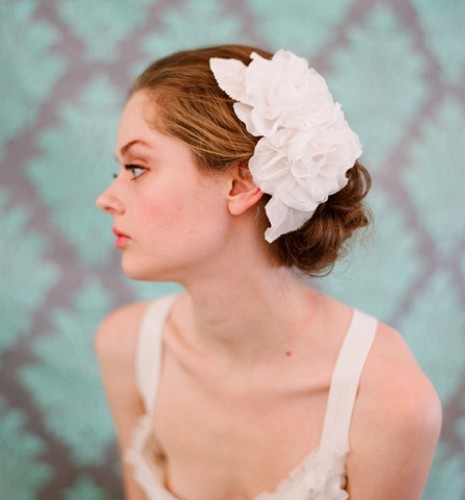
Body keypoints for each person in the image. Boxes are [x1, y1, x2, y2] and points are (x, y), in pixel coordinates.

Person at [95, 44, 441, 500]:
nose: (106, 199)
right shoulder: (127, 348)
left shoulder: (390, 401)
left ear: (241, 184)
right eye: (119, 171)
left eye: (137, 168)